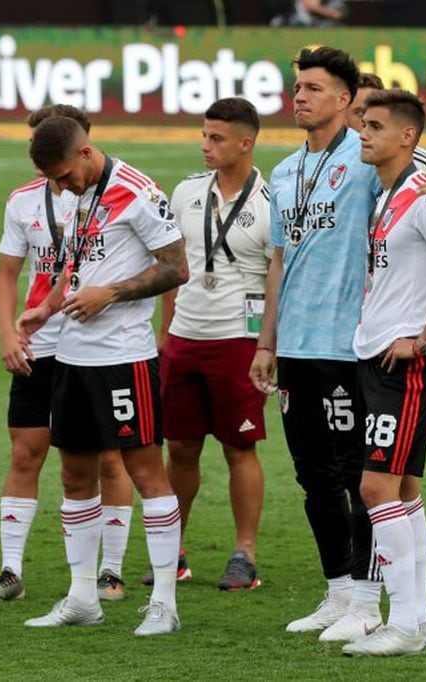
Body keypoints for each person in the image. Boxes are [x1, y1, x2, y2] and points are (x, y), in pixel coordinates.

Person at [249, 47, 426, 640]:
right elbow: (278, 259)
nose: (299, 97)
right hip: (296, 345)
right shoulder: (286, 171)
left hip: (352, 344)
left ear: (345, 100)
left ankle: (369, 603)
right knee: (312, 477)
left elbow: (421, 179)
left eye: (313, 88)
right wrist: (266, 341)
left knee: (361, 479)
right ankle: (338, 592)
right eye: (296, 87)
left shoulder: (366, 155)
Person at [18, 116, 188, 636]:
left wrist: (110, 293)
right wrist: (45, 310)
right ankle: (82, 596)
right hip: (71, 356)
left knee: (145, 473)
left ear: (87, 152)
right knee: (74, 475)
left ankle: (163, 602)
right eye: (54, 180)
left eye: (66, 175)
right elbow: (75, 268)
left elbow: (177, 267)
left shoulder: (138, 193)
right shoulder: (75, 195)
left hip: (123, 357)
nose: (61, 187)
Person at [0, 105, 135, 604]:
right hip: (39, 347)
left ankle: (110, 571)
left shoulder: (109, 198)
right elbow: (5, 274)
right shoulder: (23, 201)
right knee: (26, 451)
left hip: (97, 346)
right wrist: (7, 335)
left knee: (109, 457)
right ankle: (10, 570)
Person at [343, 88, 426, 656]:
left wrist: (420, 340)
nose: (363, 134)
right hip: (376, 355)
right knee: (397, 488)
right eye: (361, 125)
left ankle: (402, 625)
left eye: (373, 126)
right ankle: (416, 621)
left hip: (406, 362)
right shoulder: (386, 195)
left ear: (407, 136)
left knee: (376, 486)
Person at [152, 97, 269, 591]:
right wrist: (166, 330)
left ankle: (245, 553)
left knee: (239, 447)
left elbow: (277, 276)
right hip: (185, 338)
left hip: (237, 341)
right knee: (179, 446)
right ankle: (172, 549)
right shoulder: (185, 193)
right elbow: (174, 268)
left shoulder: (271, 202)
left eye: (216, 138)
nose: (205, 145)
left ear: (246, 142)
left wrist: (268, 344)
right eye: (204, 135)